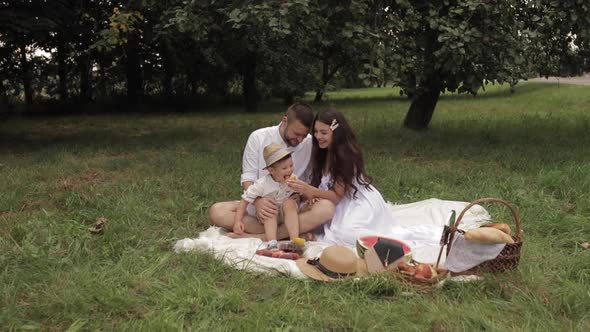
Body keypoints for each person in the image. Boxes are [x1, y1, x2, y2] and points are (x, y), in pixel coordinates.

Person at [208, 103, 335, 240]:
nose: (299, 140)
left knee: (326, 208)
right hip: (262, 205)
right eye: (296, 134)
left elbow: (310, 180)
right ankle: (290, 233)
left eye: (303, 136)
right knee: (217, 211)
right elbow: (248, 178)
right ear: (285, 120)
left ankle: (261, 237)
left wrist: (302, 196)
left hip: (291, 207)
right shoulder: (258, 137)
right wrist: (258, 201)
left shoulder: (310, 143)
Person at [287, 108, 397, 245]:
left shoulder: (346, 156)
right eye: (315, 132)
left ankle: (286, 233)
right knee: (300, 210)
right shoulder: (321, 152)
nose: (318, 136)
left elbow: (338, 196)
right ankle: (282, 232)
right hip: (330, 200)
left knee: (344, 234)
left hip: (353, 200)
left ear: (336, 133)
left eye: (324, 132)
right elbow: (322, 186)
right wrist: (313, 195)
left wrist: (311, 191)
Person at [231, 143, 301, 247]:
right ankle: (272, 242)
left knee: (290, 203)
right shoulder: (262, 184)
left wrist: (310, 197)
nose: (290, 170)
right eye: (285, 168)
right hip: (268, 215)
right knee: (270, 208)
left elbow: (303, 190)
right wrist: (237, 221)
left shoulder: (293, 179)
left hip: (285, 213)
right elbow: (244, 199)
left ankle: (295, 240)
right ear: (271, 170)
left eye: (291, 165)